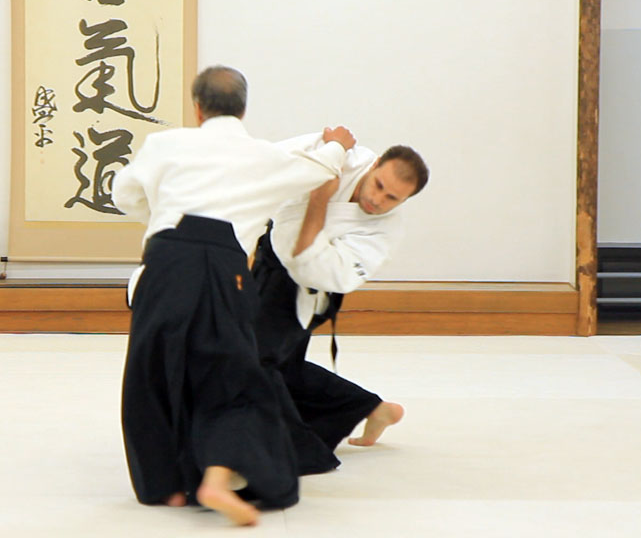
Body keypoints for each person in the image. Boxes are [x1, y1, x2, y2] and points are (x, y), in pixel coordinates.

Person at [111, 65, 357, 526]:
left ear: (197, 107)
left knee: (152, 371)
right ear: (244, 109)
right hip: (224, 270)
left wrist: (161, 214)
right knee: (233, 375)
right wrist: (337, 143)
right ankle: (219, 476)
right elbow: (322, 167)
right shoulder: (261, 156)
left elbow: (125, 194)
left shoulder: (165, 144)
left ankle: (164, 485)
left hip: (164, 260)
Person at [252, 134, 429, 475]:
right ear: (374, 163)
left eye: (392, 198)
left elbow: (312, 266)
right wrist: (330, 148)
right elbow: (271, 162)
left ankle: (299, 453)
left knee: (258, 362)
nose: (378, 200)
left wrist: (320, 197)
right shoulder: (345, 157)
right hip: (270, 258)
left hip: (307, 286)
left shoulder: (383, 234)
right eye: (378, 185)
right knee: (278, 365)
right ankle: (372, 408)